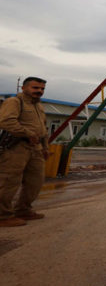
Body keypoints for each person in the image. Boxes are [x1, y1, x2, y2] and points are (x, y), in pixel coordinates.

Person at [0, 77, 50, 227]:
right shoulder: (14, 102)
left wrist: (45, 147)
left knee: (35, 181)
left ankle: (23, 210)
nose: (39, 91)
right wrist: (27, 133)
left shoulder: (39, 106)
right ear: (24, 88)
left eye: (42, 89)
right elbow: (6, 121)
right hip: (17, 147)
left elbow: (43, 129)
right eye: (35, 88)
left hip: (36, 149)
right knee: (9, 181)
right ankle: (3, 215)